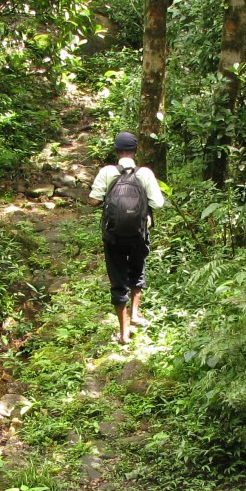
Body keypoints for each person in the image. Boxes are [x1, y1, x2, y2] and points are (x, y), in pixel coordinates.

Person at [88, 131, 166, 344]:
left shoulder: (107, 172)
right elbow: (158, 204)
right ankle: (135, 313)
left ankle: (123, 334)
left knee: (117, 279)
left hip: (113, 235)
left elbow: (93, 201)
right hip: (138, 234)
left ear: (116, 150)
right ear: (135, 151)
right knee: (137, 270)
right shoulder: (145, 174)